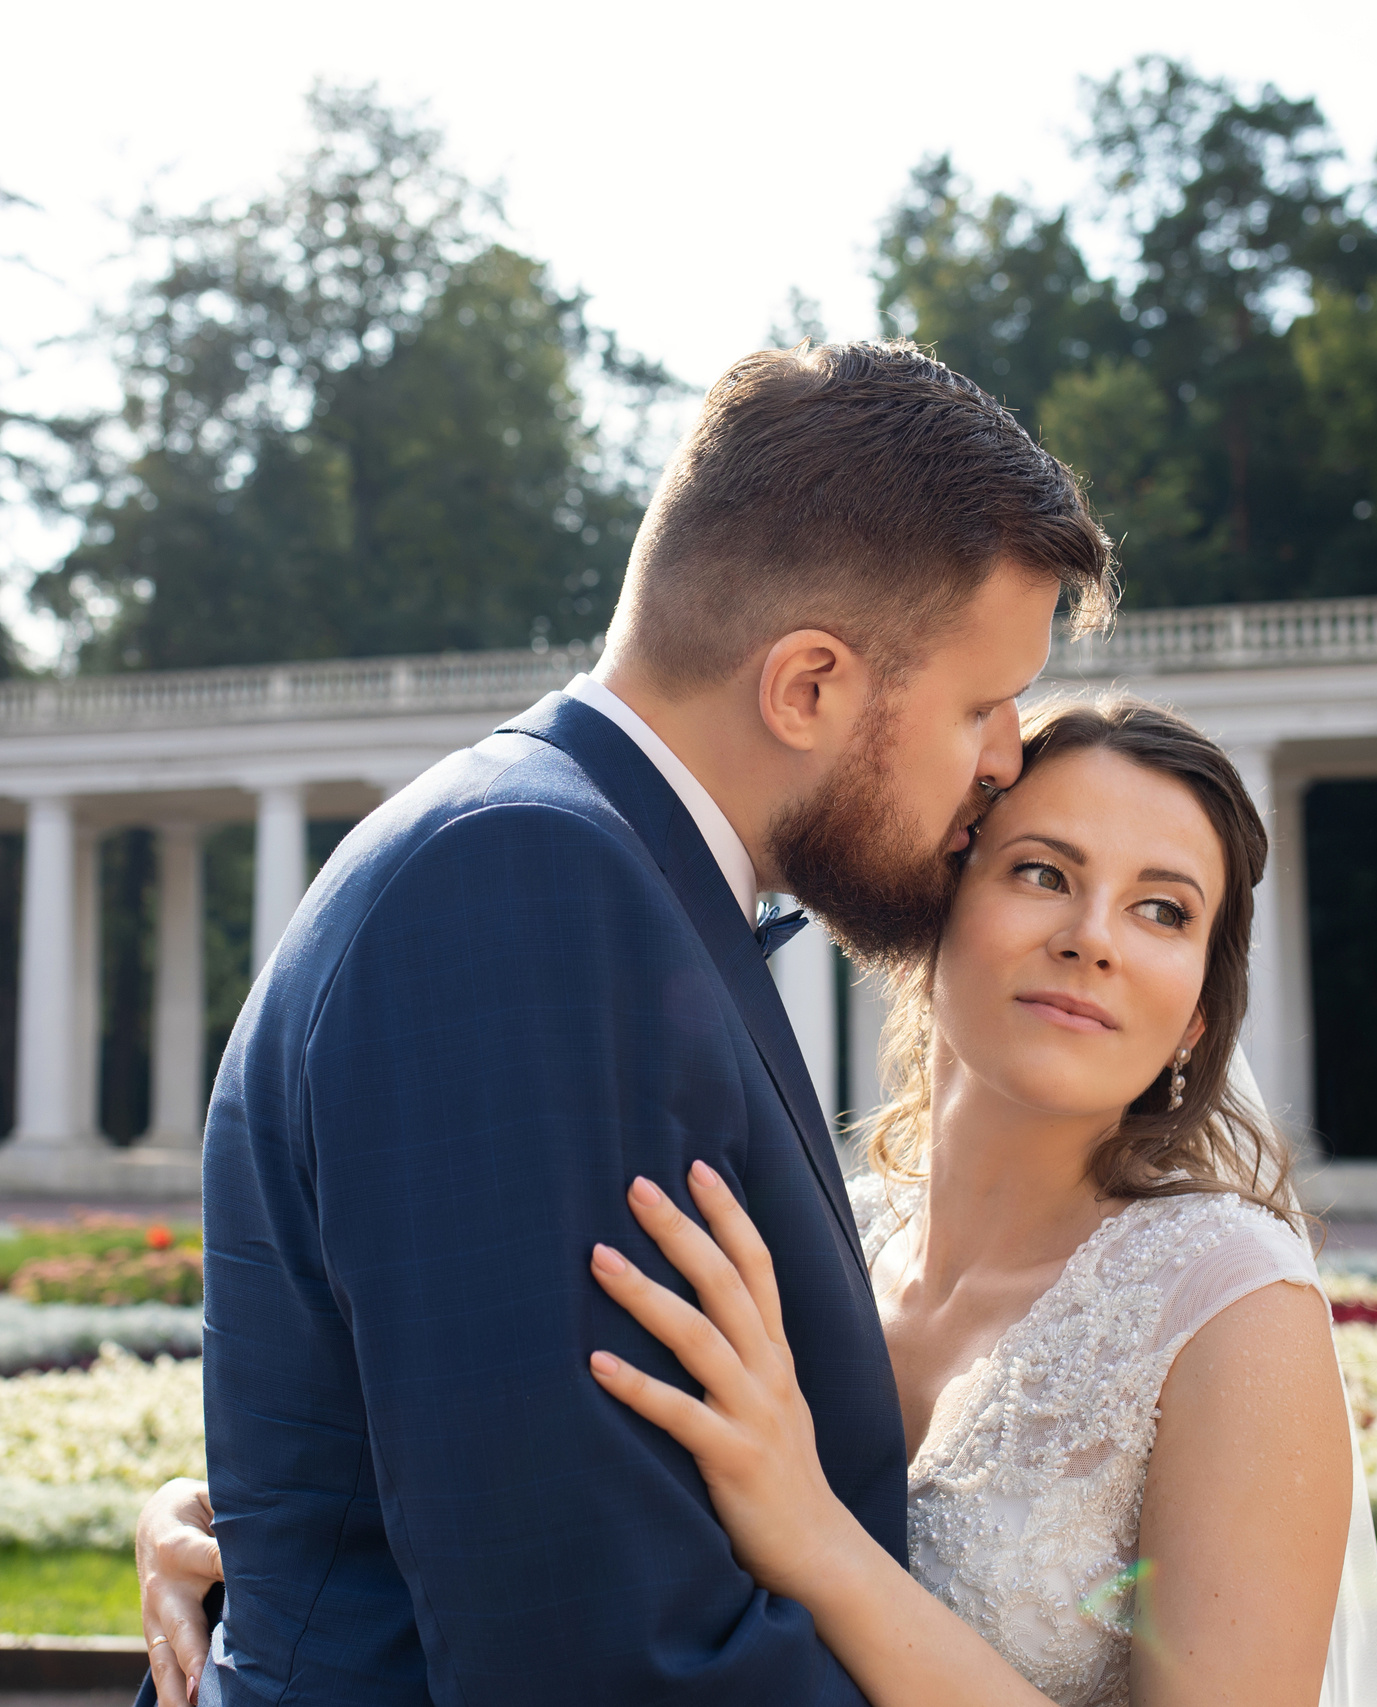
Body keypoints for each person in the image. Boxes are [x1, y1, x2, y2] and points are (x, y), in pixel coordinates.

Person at [141, 339, 1112, 1706]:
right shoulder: (524, 889)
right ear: (811, 685)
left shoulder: (580, 870)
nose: (1011, 751)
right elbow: (599, 1660)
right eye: (981, 702)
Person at [142, 697, 1377, 1707]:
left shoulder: (1228, 1302)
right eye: (1039, 872)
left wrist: (821, 1545)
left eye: (1161, 910)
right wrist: (247, 1527)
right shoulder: (807, 1232)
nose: (1093, 936)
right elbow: (529, 1459)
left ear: (1196, 1008)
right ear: (935, 906)